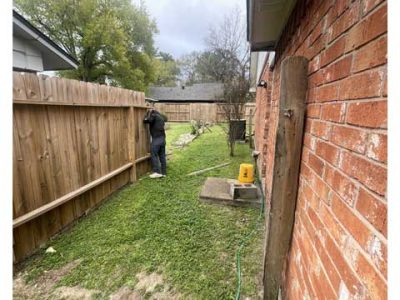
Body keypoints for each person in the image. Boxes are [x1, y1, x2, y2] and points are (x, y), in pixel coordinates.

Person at [143, 108, 167, 178]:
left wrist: (147, 114)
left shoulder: (153, 115)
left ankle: (157, 172)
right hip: (163, 139)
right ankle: (164, 173)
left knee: (154, 154)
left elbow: (146, 121)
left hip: (156, 139)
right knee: (162, 156)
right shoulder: (161, 117)